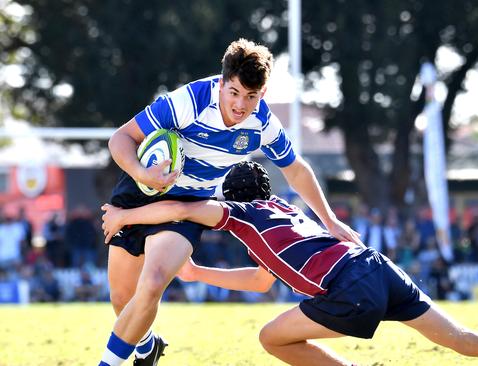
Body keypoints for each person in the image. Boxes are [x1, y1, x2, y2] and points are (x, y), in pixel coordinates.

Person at [102, 162, 478, 366]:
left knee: (272, 338)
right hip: (376, 266)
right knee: (463, 338)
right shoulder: (286, 211)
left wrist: (125, 215)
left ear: (228, 198)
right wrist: (198, 273)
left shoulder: (240, 216)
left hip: (346, 287)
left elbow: (178, 210)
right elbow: (260, 282)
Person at [100, 39, 359, 366]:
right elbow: (120, 138)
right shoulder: (191, 100)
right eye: (234, 92)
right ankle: (147, 346)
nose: (240, 105)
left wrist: (330, 221)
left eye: (251, 96)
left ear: (262, 94)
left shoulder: (262, 123)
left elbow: (295, 169)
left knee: (151, 284)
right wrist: (143, 172)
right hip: (139, 190)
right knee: (123, 300)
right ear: (222, 83)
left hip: (187, 207)